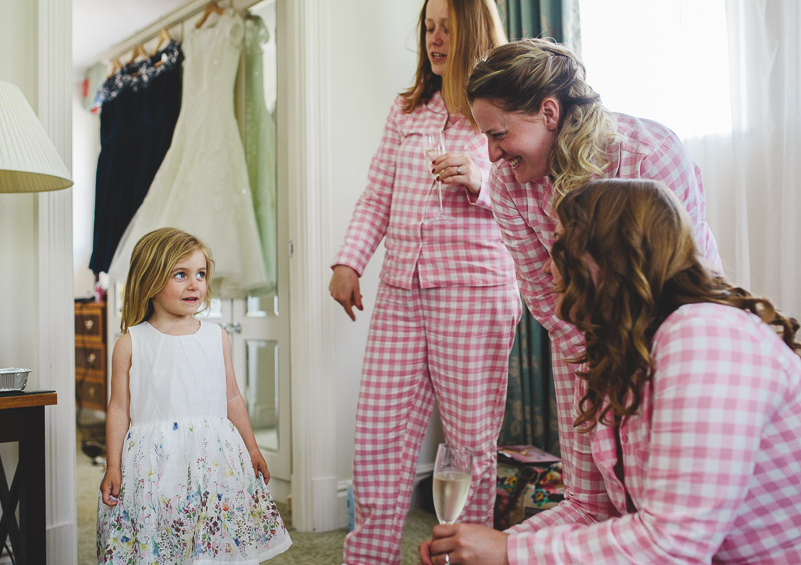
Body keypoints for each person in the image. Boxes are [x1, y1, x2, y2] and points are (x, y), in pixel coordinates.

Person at [419, 178, 801, 564]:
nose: (548, 267)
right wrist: (482, 546)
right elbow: (593, 511)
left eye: (561, 246)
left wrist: (509, 552)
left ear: (611, 253)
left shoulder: (703, 335)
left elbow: (672, 545)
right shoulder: (623, 354)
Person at [463, 37, 724, 531]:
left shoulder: (650, 155)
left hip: (677, 337)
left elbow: (685, 287)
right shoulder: (506, 187)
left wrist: (629, 375)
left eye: (499, 134)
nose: (492, 155)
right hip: (581, 343)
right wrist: (595, 364)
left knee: (655, 501)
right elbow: (544, 298)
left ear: (547, 111)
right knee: (590, 500)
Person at [328, 1, 518, 563]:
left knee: (469, 444)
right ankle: (368, 557)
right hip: (400, 293)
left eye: (446, 28)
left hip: (473, 290)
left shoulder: (503, 109)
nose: (435, 40)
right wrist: (349, 261)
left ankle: (468, 554)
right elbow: (377, 194)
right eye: (428, 28)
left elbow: (532, 194)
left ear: (473, 33)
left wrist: (479, 180)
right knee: (379, 436)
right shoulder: (408, 108)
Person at [97, 227, 291, 563]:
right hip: (155, 463)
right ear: (149, 280)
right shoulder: (131, 343)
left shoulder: (217, 337)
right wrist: (113, 464)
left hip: (213, 458)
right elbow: (118, 407)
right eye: (181, 275)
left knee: (213, 539)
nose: (195, 284)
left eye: (200, 274)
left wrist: (253, 447)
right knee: (164, 535)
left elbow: (232, 398)